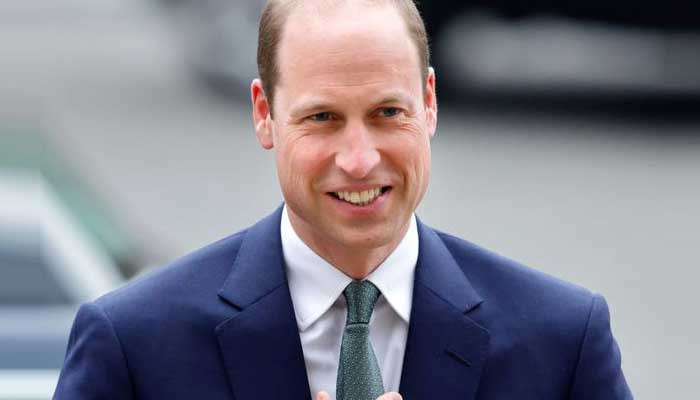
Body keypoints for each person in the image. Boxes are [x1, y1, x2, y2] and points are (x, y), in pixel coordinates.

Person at [54, 0, 633, 399]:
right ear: (264, 114)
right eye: (323, 118)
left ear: (429, 103)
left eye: (387, 112)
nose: (358, 159)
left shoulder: (560, 341)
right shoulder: (135, 344)